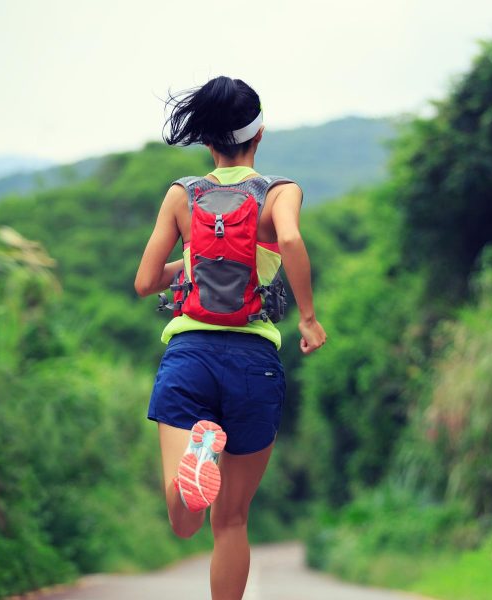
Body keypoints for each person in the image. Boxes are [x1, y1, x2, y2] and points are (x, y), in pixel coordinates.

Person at [134, 75, 326, 600]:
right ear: (258, 133)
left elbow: (145, 282)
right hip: (253, 362)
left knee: (184, 522)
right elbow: (288, 239)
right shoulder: (279, 191)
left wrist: (191, 262)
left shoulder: (183, 195)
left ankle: (195, 461)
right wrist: (307, 317)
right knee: (233, 521)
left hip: (189, 356)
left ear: (207, 140)